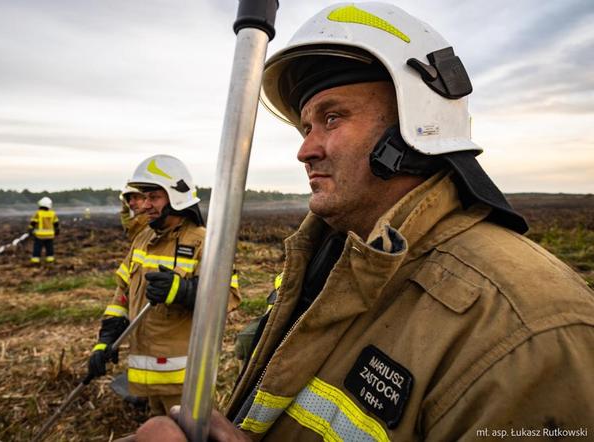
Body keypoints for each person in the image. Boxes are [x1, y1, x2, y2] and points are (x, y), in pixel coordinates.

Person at [130, 3, 594, 441]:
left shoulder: (532, 333)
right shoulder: (328, 260)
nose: (305, 150)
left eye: (332, 118)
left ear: (416, 126)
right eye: (306, 126)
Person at [88, 154, 241, 418]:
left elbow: (228, 297)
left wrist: (182, 292)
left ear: (176, 196)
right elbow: (122, 294)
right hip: (146, 376)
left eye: (153, 197)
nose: (144, 205)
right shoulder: (143, 238)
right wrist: (105, 339)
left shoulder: (205, 241)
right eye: (143, 197)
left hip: (184, 380)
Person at [29, 196, 59, 264]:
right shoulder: (52, 213)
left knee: (37, 247)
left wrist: (30, 229)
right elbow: (56, 223)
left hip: (40, 235)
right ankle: (50, 258)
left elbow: (33, 222)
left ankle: (35, 259)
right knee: (49, 247)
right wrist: (57, 230)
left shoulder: (38, 213)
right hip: (50, 235)